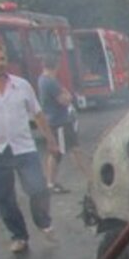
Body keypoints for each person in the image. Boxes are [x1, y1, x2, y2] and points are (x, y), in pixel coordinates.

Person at [0, 42, 58, 253]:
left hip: (23, 146)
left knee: (38, 189)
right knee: (4, 196)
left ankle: (43, 222)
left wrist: (50, 139)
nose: (1, 63)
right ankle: (19, 236)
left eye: (3, 59)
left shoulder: (21, 85)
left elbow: (37, 113)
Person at [37, 54, 85, 193]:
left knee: (56, 153)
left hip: (54, 120)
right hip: (60, 122)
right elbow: (64, 100)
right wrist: (68, 95)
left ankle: (50, 183)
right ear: (57, 65)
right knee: (72, 151)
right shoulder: (50, 82)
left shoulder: (42, 79)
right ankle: (91, 179)